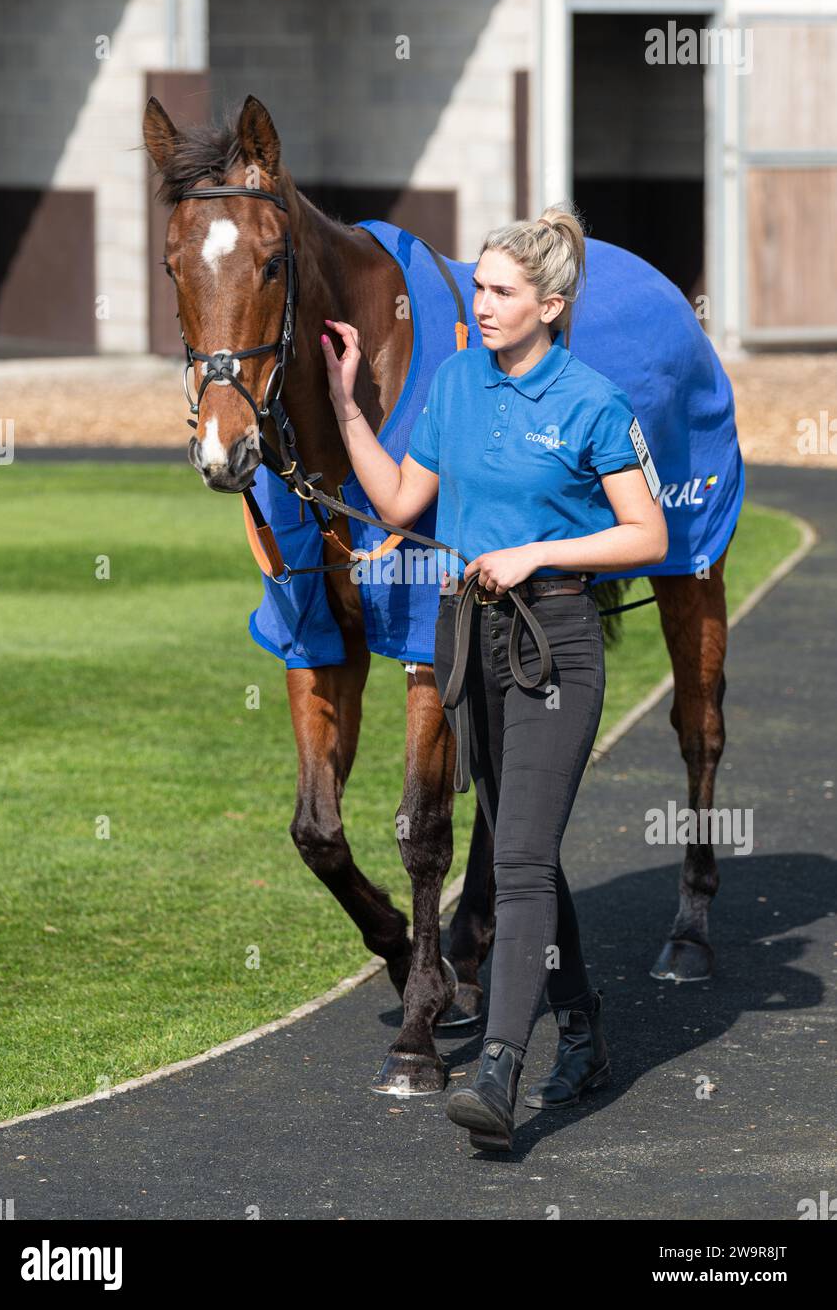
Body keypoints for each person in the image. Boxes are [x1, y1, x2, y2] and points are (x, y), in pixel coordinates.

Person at [320, 203, 668, 1152]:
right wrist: (348, 404)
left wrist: (540, 552)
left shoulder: (593, 400)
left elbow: (649, 534)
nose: (479, 304)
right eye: (475, 286)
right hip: (468, 639)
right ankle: (585, 1027)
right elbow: (396, 501)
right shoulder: (457, 386)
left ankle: (500, 1072)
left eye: (502, 291)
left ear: (550, 305)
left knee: (513, 862)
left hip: (555, 641)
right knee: (530, 849)